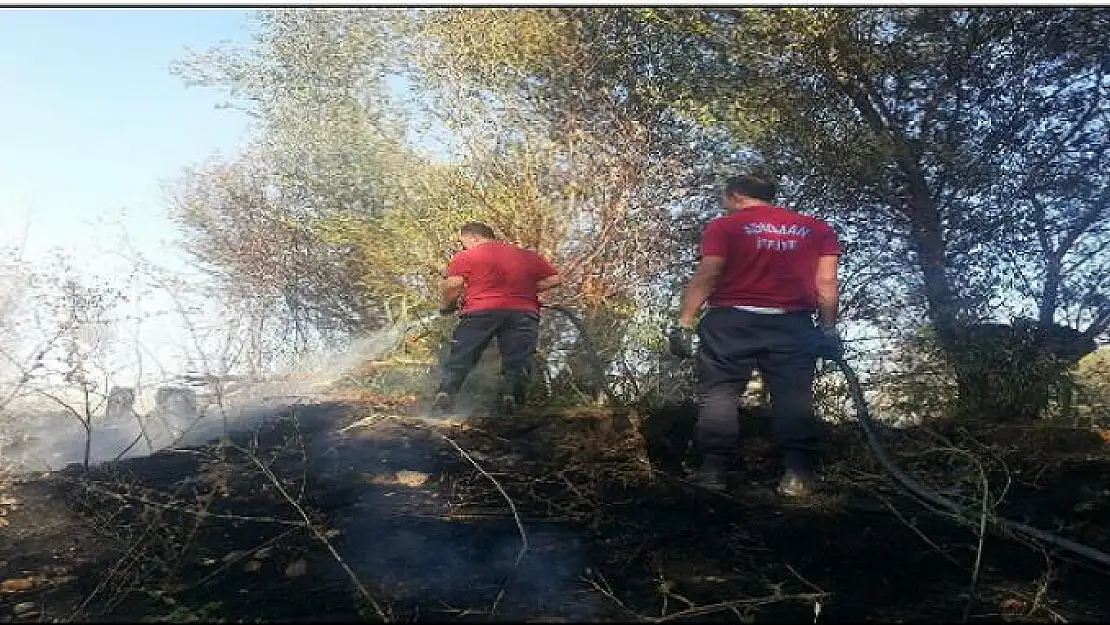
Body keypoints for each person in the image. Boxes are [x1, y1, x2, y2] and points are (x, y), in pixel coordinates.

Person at [670, 174, 843, 497]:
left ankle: (713, 470)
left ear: (735, 195)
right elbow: (827, 283)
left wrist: (685, 321)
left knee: (720, 393)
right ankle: (797, 474)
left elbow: (709, 274)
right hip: (792, 325)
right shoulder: (817, 229)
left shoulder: (725, 226)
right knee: (793, 396)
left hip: (731, 323)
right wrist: (829, 328)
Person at [434, 222, 562, 415]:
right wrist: (522, 292)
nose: (462, 247)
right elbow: (555, 279)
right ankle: (512, 399)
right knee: (517, 359)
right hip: (523, 313)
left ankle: (446, 394)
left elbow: (452, 284)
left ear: (474, 238)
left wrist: (447, 306)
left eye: (463, 242)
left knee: (463, 353)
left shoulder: (468, 256)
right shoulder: (525, 255)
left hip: (480, 312)